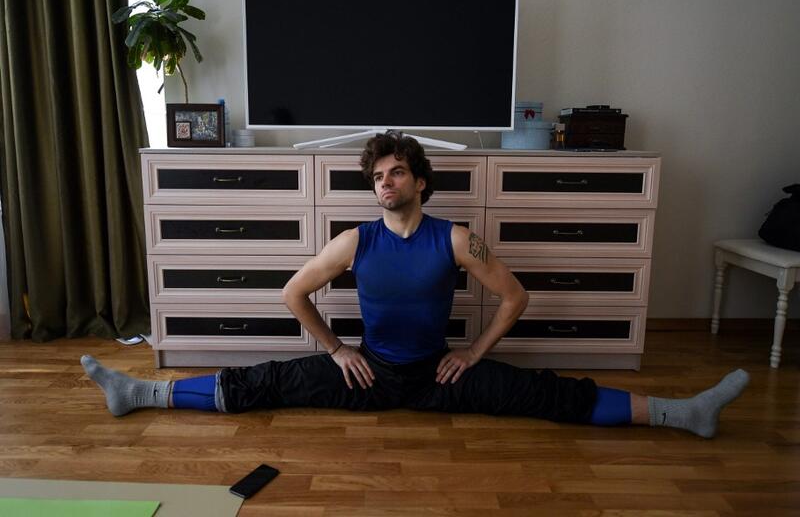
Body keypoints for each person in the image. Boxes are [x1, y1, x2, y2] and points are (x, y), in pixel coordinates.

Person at [82, 131, 749, 438]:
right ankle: (139, 391)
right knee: (263, 380)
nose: (384, 183)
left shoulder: (456, 238)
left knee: (547, 395)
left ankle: (680, 413)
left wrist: (475, 353)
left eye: (396, 173)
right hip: (367, 373)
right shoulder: (355, 240)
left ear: (420, 181)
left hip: (438, 373)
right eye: (377, 176)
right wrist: (338, 351)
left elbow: (515, 296)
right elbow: (293, 293)